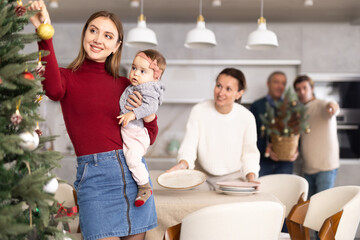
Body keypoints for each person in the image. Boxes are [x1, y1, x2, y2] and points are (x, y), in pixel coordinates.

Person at [28, 1, 158, 239]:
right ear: (85, 33)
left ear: (116, 46)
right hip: (94, 180)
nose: (98, 39)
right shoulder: (67, 77)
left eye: (108, 36)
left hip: (134, 180)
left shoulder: (125, 86)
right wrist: (43, 32)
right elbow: (53, 90)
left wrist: (149, 115)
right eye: (93, 31)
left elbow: (149, 133)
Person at [167, 68, 260, 185]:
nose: (221, 93)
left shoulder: (247, 117)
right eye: (218, 86)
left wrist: (251, 178)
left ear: (239, 94)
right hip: (201, 178)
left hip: (234, 179)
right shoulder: (199, 110)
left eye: (228, 89)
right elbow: (189, 146)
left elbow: (250, 153)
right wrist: (183, 164)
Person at [117, 49, 165, 207]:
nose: (135, 73)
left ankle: (144, 186)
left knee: (132, 158)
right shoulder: (135, 86)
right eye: (134, 68)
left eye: (143, 71)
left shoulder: (149, 89)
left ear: (155, 77)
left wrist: (133, 114)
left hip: (138, 134)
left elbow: (150, 107)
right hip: (130, 133)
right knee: (128, 156)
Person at [294, 75, 340, 198]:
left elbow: (332, 105)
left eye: (305, 88)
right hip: (308, 168)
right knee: (311, 206)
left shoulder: (321, 105)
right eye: (298, 89)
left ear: (312, 88)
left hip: (325, 167)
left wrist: (333, 107)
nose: (302, 92)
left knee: (322, 205)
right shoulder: (300, 111)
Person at [250, 71, 298, 177]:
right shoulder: (256, 106)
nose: (280, 86)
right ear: (268, 84)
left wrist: (296, 150)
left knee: (284, 192)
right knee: (262, 191)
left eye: (283, 83)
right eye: (276, 82)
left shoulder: (291, 106)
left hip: (285, 162)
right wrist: (266, 149)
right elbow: (251, 136)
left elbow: (298, 130)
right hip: (262, 162)